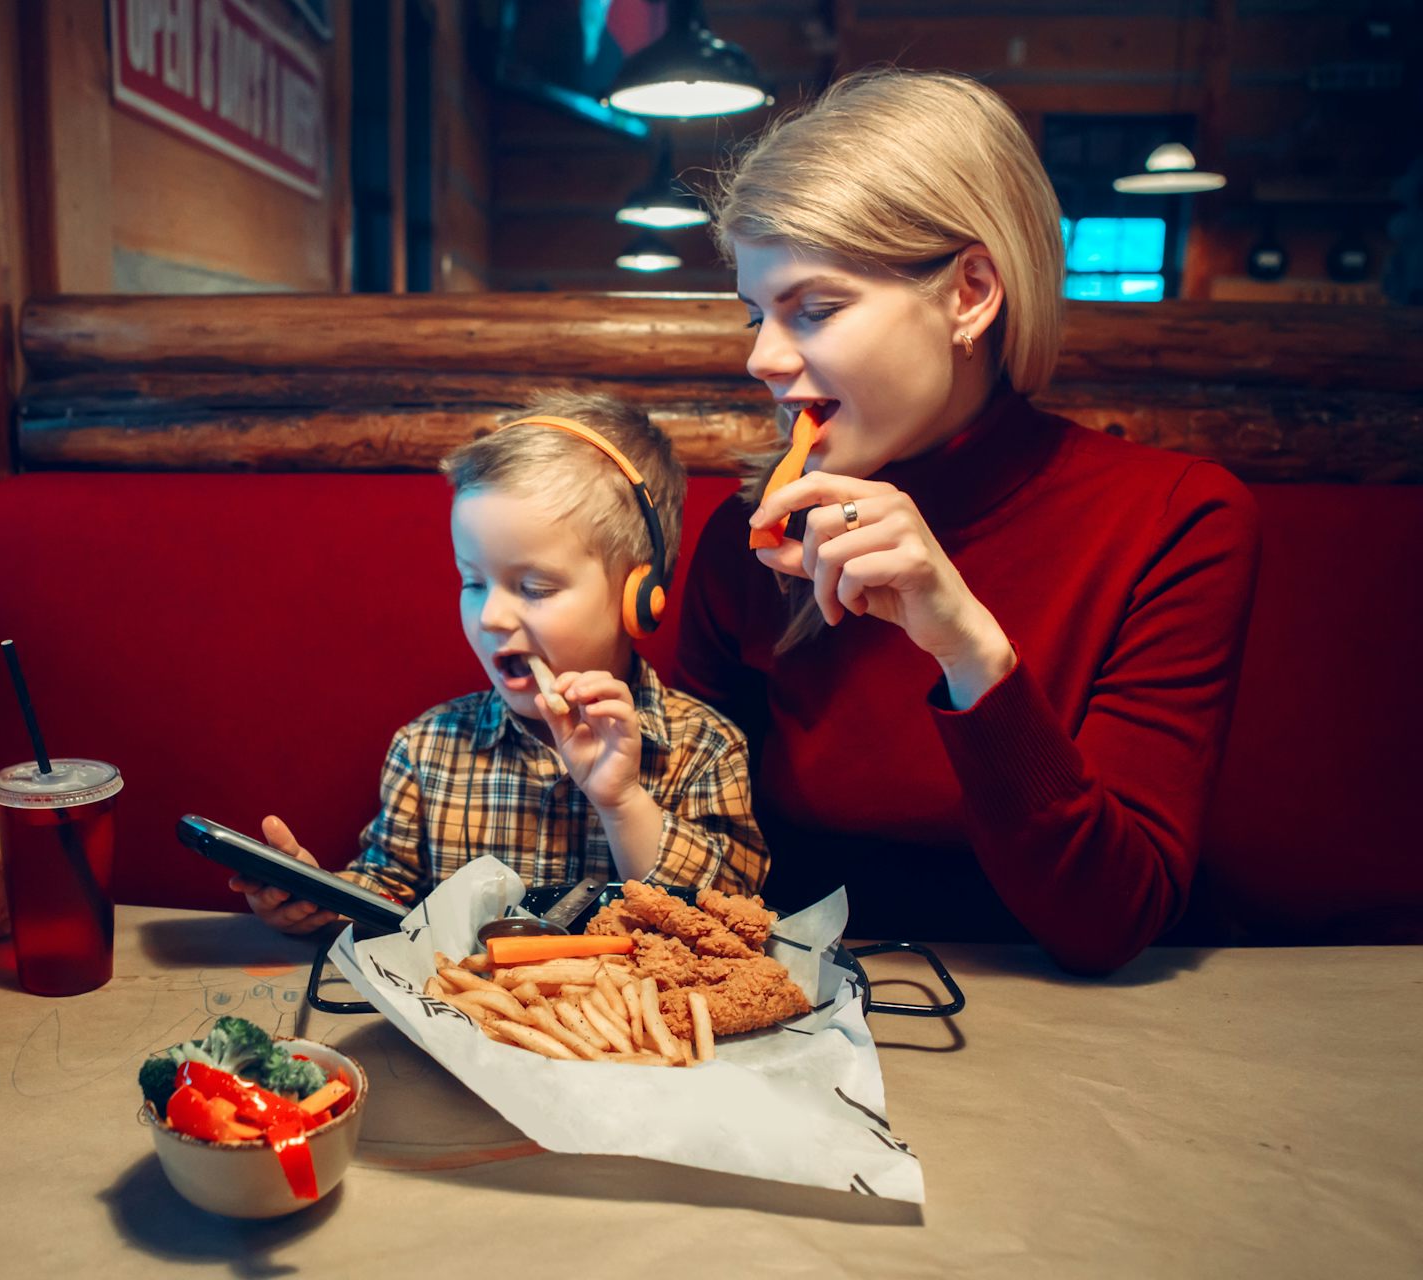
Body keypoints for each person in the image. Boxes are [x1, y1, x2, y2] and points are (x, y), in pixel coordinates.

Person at [676, 69, 1259, 974]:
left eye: (815, 309)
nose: (761, 356)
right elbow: (701, 874)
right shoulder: (750, 544)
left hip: (1087, 1050)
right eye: (756, 313)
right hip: (794, 1037)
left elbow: (1110, 922)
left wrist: (968, 652)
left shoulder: (1178, 522)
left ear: (972, 294)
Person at [234, 392, 769, 934]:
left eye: (533, 587)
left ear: (640, 596)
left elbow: (728, 926)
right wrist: (319, 899)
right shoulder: (426, 750)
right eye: (473, 582)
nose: (490, 615)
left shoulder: (705, 749)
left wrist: (623, 802)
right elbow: (388, 896)